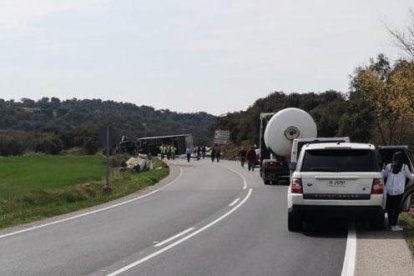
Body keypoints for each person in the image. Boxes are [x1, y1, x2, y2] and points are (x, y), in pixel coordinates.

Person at [382, 151, 414, 231]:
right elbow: (410, 176)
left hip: (389, 190)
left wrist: (382, 170)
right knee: (397, 208)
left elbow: (384, 175)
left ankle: (390, 223)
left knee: (389, 207)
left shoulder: (389, 166)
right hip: (399, 191)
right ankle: (394, 224)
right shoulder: (404, 167)